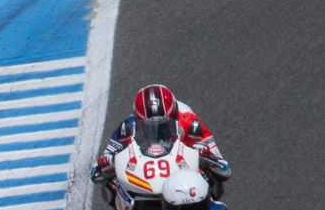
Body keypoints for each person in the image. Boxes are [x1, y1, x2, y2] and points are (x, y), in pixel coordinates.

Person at [90, 83, 230, 199]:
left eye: (164, 126)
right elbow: (97, 170)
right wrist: (106, 162)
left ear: (175, 116)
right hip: (145, 179)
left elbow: (224, 168)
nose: (157, 132)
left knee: (211, 180)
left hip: (183, 177)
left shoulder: (190, 123)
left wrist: (207, 156)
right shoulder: (127, 127)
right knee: (111, 184)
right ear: (138, 122)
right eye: (148, 128)